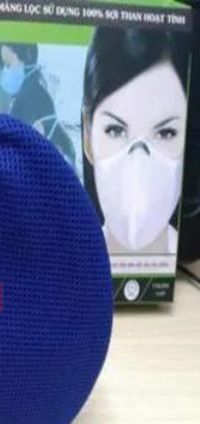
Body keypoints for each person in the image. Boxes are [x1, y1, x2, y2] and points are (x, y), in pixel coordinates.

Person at [82, 29, 188, 255]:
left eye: (166, 133)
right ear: (87, 136)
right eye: (115, 130)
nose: (138, 162)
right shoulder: (69, 263)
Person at [0, 43, 75, 166]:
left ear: (27, 58)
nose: (5, 71)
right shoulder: (34, 94)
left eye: (8, 64)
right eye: (4, 66)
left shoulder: (30, 97)